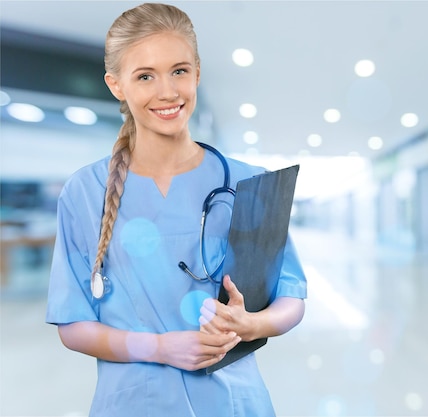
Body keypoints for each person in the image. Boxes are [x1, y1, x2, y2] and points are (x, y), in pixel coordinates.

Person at [45, 3, 307, 416]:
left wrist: (252, 325)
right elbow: (73, 324)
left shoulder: (249, 183)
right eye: (145, 76)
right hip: (132, 404)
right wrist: (160, 347)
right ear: (116, 85)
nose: (167, 91)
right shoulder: (84, 192)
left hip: (234, 403)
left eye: (179, 71)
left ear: (197, 74)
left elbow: (290, 296)